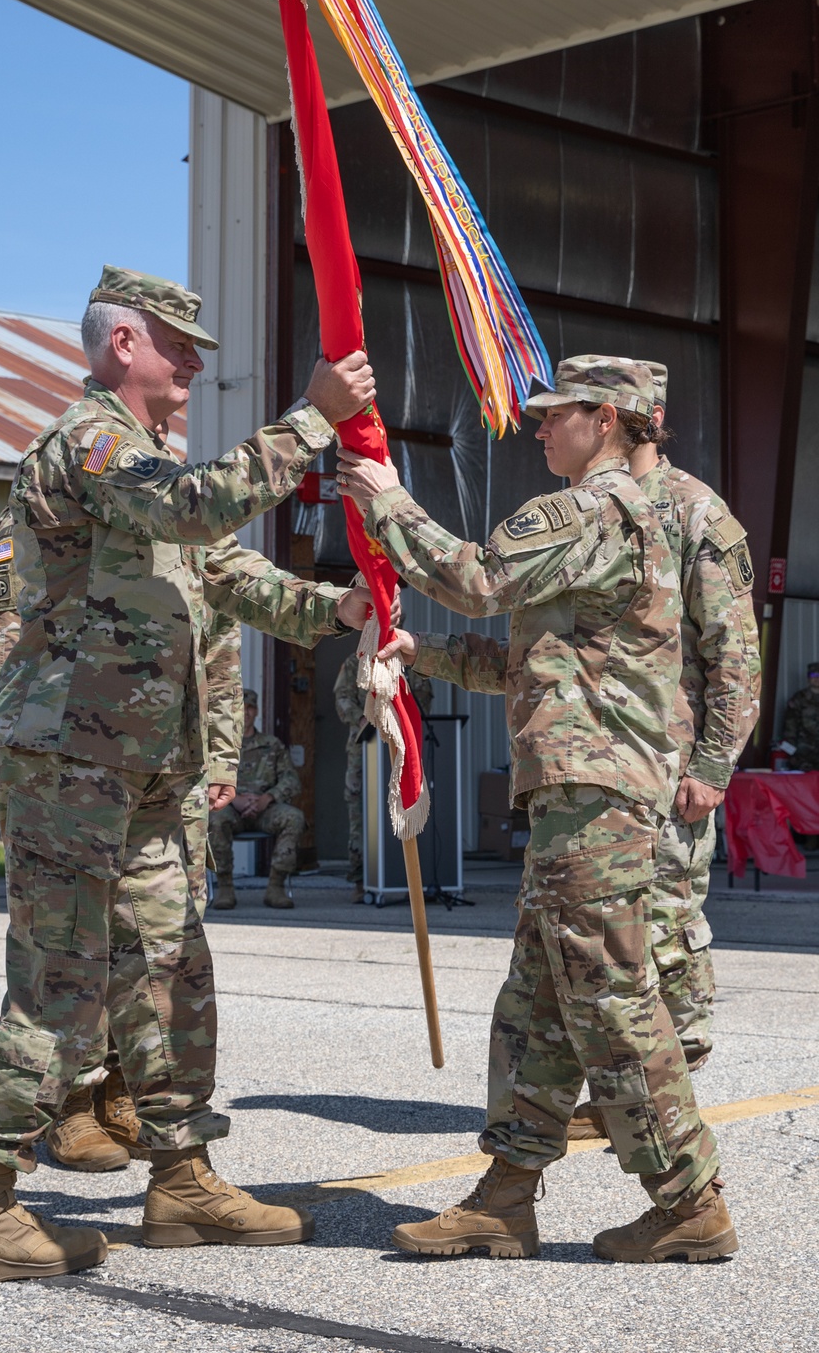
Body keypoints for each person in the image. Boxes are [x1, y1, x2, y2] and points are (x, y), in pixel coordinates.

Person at [0, 264, 381, 1286]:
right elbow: (194, 509)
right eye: (177, 346)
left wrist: (339, 609)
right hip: (73, 762)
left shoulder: (153, 463)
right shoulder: (93, 445)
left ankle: (181, 1177)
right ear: (120, 344)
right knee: (63, 980)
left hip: (147, 767)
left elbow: (231, 572)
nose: (191, 365)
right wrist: (312, 418)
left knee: (171, 964)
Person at [338, 356, 736, 1265]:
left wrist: (389, 501)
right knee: (537, 1002)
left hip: (597, 797)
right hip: (579, 791)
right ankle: (506, 1196)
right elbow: (539, 666)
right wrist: (421, 653)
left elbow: (478, 577)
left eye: (555, 416)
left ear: (605, 419)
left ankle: (689, 1198)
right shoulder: (621, 522)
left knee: (608, 996)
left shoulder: (595, 508)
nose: (540, 429)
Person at [0, 507, 245, 1171]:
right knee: (70, 937)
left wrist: (224, 753)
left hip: (171, 772)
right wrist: (8, 755)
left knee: (160, 938)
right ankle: (66, 1102)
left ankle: (128, 1089)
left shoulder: (195, 509)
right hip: (69, 770)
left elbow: (221, 641)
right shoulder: (44, 512)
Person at [560, 358, 758, 1141]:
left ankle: (673, 1088)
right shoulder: (598, 508)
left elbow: (735, 651)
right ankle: (628, 1089)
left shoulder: (693, 510)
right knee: (610, 932)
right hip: (609, 764)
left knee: (668, 921)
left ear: (616, 416)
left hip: (672, 771)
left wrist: (713, 766)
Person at [334, 648, 434, 901]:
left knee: (407, 802)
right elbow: (343, 699)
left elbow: (423, 698)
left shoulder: (409, 659)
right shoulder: (353, 660)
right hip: (363, 746)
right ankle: (360, 879)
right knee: (360, 811)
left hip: (402, 744)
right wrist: (364, 720)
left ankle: (409, 878)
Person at [208, 688, 304, 911]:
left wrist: (267, 798)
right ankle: (225, 887)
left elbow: (291, 780)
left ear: (257, 711)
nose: (246, 712)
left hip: (265, 809)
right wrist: (235, 799)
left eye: (250, 708)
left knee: (294, 818)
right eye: (242, 708)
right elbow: (207, 779)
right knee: (216, 820)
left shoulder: (272, 745)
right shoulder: (221, 746)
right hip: (230, 808)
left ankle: (276, 887)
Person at [781, 662, 819, 771]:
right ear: (808, 678)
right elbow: (790, 727)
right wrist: (791, 752)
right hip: (804, 752)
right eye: (813, 675)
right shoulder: (799, 699)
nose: (816, 679)